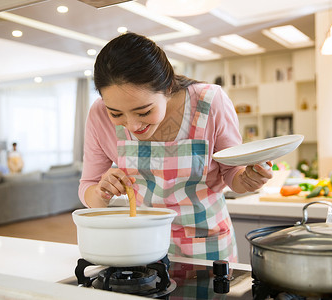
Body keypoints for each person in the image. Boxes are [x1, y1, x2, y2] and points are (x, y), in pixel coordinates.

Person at [78, 32, 273, 263]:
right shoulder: (98, 114)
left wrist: (248, 179)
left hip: (208, 244)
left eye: (144, 111)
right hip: (143, 244)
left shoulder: (210, 102)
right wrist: (103, 192)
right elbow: (87, 188)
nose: (132, 125)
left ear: (168, 88)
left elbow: (232, 173)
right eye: (116, 113)